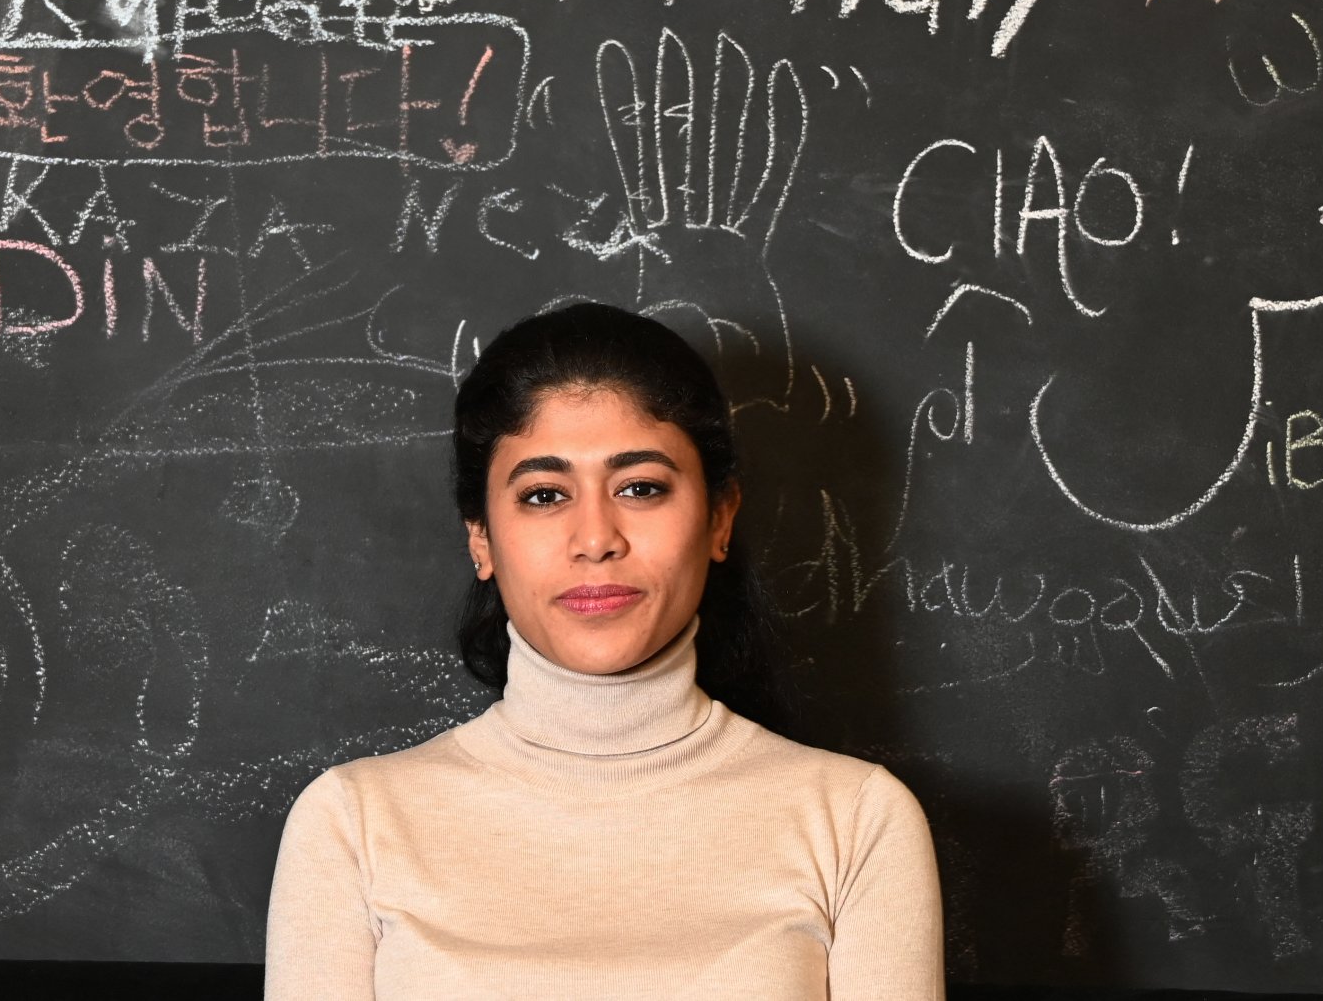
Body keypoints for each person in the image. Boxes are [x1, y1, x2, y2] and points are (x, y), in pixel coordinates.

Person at [264, 301, 944, 999]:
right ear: (480, 538)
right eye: (543, 495)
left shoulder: (855, 821)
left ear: (719, 518)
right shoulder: (353, 824)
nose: (596, 537)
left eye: (641, 488)